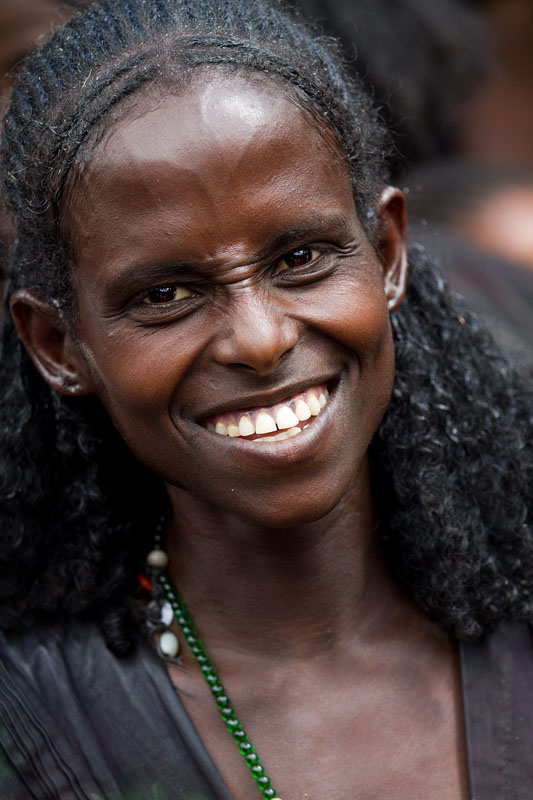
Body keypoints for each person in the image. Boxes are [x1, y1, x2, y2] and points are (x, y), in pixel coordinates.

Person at [0, 1, 532, 798]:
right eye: (166, 294)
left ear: (386, 251)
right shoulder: (33, 728)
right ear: (57, 344)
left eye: (301, 257)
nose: (258, 339)